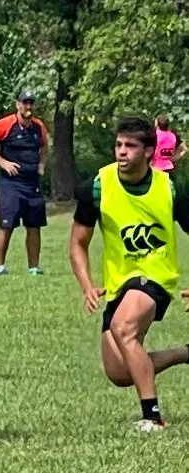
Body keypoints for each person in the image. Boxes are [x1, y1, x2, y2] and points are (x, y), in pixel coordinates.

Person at [69, 118, 189, 432]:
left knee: (124, 330)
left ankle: (153, 416)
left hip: (156, 276)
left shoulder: (171, 188)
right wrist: (86, 285)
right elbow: (78, 244)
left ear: (149, 151)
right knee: (119, 373)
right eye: (119, 145)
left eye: (131, 146)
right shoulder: (96, 186)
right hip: (118, 282)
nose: (122, 152)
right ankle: (185, 353)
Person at [0, 91, 48, 276]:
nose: (28, 107)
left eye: (31, 103)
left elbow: (45, 146)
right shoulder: (7, 124)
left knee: (34, 226)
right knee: (7, 225)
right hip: (12, 184)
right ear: (18, 105)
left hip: (33, 184)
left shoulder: (38, 127)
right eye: (25, 103)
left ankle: (34, 267)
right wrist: (2, 162)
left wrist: (42, 164)